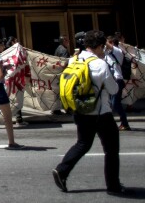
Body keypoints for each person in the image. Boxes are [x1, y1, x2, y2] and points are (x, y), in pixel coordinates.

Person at [52, 30, 129, 195]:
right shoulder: (100, 64)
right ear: (100, 46)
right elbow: (113, 89)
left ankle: (62, 170)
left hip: (80, 110)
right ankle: (113, 186)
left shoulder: (74, 59)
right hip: (101, 112)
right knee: (111, 150)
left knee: (82, 143)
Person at [105, 35, 131, 131]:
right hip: (110, 80)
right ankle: (115, 123)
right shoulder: (107, 53)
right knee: (111, 103)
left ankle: (125, 123)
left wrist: (102, 39)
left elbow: (108, 45)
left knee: (115, 103)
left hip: (117, 80)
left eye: (108, 42)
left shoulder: (117, 51)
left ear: (111, 43)